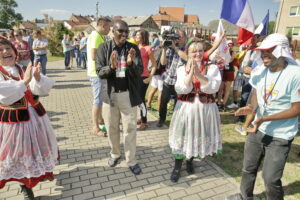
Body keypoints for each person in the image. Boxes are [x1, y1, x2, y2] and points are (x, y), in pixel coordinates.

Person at [227, 33, 300, 200]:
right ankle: (245, 197)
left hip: (280, 136)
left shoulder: (296, 74)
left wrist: (264, 119)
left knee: (270, 179)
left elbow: (297, 109)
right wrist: (251, 107)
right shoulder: (260, 71)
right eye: (262, 51)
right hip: (257, 130)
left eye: (269, 50)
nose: (264, 54)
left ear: (282, 51)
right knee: (248, 168)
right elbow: (256, 93)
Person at [0, 39, 58, 200]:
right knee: (17, 153)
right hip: (14, 123)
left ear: (14, 51)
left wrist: (37, 78)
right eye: (1, 50)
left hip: (34, 118)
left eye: (8, 48)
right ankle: (24, 185)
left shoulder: (21, 68)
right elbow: (5, 95)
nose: (5, 52)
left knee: (34, 150)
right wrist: (25, 81)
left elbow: (36, 89)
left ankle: (34, 177)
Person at [169, 38, 222, 182]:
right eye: (194, 51)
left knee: (197, 135)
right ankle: (177, 167)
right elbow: (180, 89)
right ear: (188, 53)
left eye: (200, 50)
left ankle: (190, 161)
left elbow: (214, 88)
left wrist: (199, 75)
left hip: (205, 109)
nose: (197, 54)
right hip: (186, 108)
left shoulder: (212, 68)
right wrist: (190, 75)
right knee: (183, 135)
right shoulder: (181, 69)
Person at [96, 20, 143, 175]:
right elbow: (99, 72)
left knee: (130, 128)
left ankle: (131, 160)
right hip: (110, 95)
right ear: (113, 31)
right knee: (112, 128)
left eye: (126, 32)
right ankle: (115, 154)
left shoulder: (133, 48)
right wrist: (111, 67)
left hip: (127, 95)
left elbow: (139, 71)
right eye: (120, 31)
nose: (124, 34)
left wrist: (130, 64)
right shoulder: (104, 48)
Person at [156, 29, 188, 127]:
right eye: (176, 37)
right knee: (163, 101)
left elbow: (187, 58)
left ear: (185, 38)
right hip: (168, 79)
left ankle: (176, 122)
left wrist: (175, 48)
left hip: (180, 81)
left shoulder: (187, 48)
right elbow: (163, 63)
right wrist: (164, 50)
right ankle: (161, 119)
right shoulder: (170, 48)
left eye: (179, 37)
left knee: (178, 103)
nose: (177, 39)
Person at [87, 17, 112, 137]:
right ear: (103, 26)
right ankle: (95, 127)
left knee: (100, 99)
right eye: (109, 27)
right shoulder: (96, 36)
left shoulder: (97, 35)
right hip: (97, 73)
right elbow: (93, 55)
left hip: (98, 72)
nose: (110, 29)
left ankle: (101, 120)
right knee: (97, 100)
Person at [135, 29, 157, 130]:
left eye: (138, 35)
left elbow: (154, 65)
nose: (136, 36)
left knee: (141, 100)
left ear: (143, 37)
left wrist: (150, 77)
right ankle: (141, 117)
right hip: (135, 77)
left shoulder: (148, 48)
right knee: (137, 100)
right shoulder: (134, 47)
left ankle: (144, 122)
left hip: (143, 77)